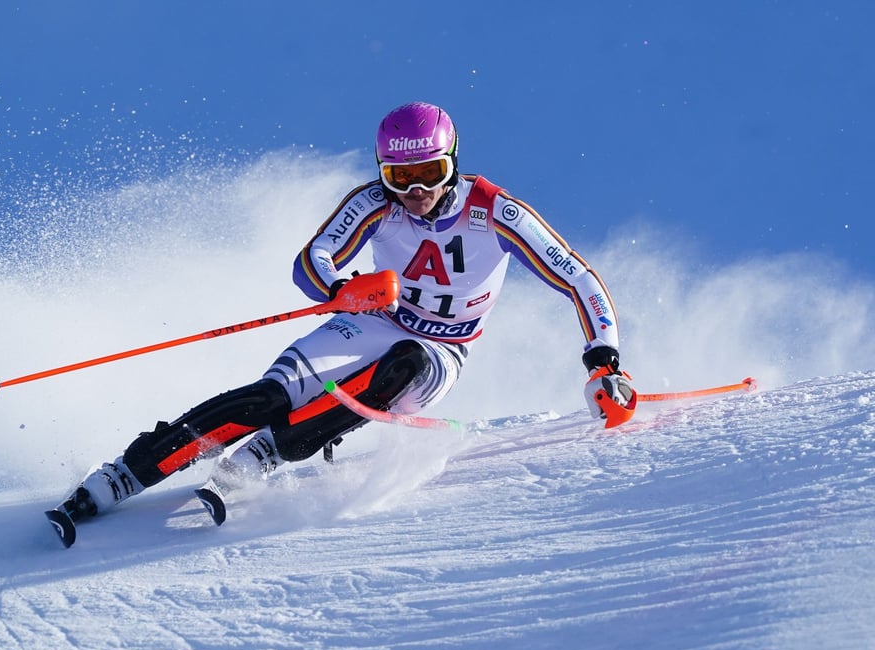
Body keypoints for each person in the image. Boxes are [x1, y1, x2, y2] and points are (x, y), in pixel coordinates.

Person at [52, 101, 634, 537]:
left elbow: (577, 277)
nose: (415, 192)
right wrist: (343, 290)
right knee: (265, 397)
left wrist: (603, 362)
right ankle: (123, 476)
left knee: (401, 367)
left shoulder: (493, 210)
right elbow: (311, 261)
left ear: (451, 162)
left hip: (443, 348)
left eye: (429, 173)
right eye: (399, 177)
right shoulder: (372, 203)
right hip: (375, 320)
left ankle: (271, 453)